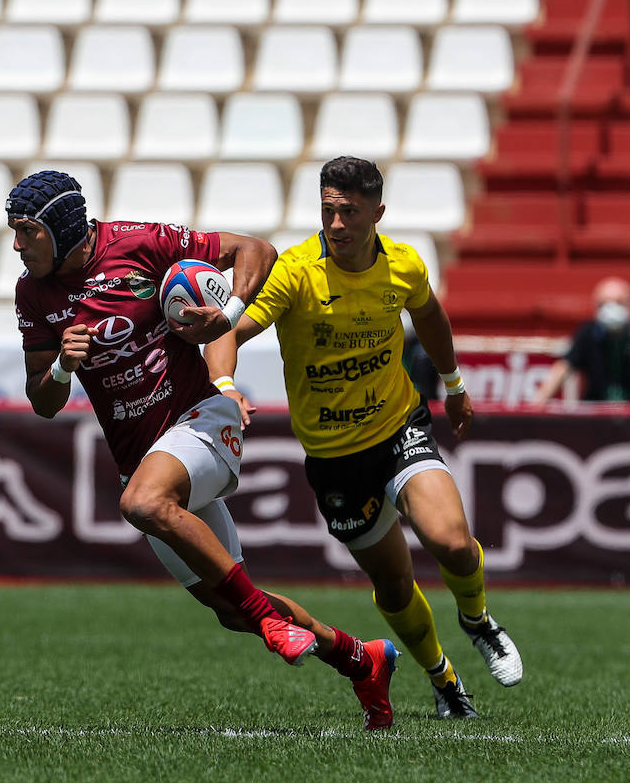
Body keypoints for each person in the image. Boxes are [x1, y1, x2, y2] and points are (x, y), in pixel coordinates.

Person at [9, 169, 398, 730]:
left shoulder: (138, 243)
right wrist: (62, 368)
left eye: (26, 231)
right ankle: (361, 659)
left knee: (144, 505)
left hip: (203, 420)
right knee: (230, 609)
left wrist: (230, 313)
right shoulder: (32, 293)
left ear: (62, 226)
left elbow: (255, 250)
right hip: (142, 459)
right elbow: (43, 400)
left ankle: (269, 618)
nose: (18, 245)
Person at [205, 156, 523, 720]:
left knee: (451, 543)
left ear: (377, 212)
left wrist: (454, 385)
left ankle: (477, 620)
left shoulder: (402, 266)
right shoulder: (296, 271)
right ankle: (444, 680)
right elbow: (232, 329)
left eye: (349, 212)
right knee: (395, 585)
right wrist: (226, 384)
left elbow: (430, 318)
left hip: (398, 425)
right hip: (334, 458)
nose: (336, 225)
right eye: (328, 211)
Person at [532, 276, 630, 403]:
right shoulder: (588, 333)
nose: (611, 309)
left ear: (629, 303)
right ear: (596, 306)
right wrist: (537, 403)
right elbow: (564, 368)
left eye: (619, 302)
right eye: (604, 304)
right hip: (596, 410)